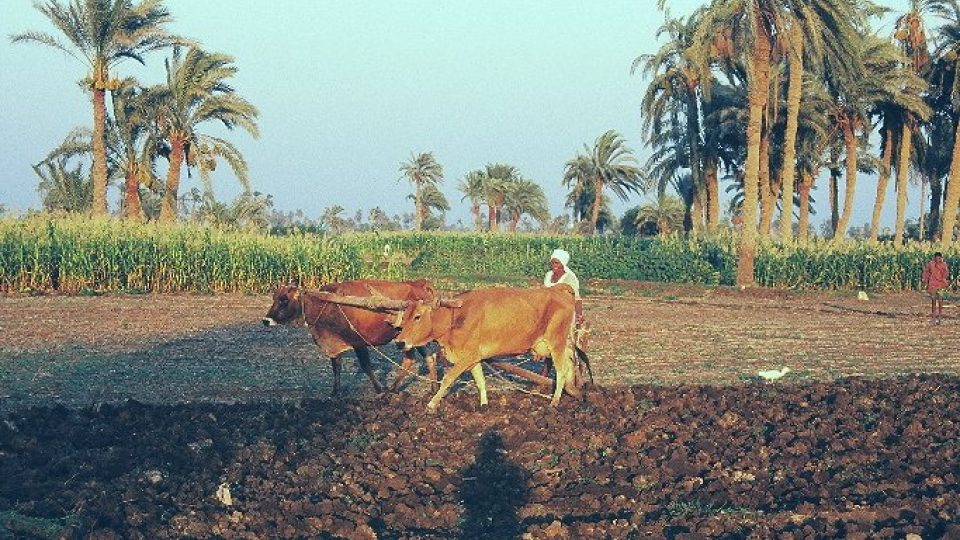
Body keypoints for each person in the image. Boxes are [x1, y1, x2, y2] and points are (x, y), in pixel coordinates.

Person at [543, 248, 583, 325]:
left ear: (563, 263)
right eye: (552, 263)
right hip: (548, 311)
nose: (554, 265)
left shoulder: (569, 278)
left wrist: (579, 315)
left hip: (562, 312)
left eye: (557, 263)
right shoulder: (548, 275)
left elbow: (577, 298)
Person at [921, 252, 950, 325]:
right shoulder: (931, 264)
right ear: (934, 258)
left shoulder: (943, 264)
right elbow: (926, 272)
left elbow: (946, 274)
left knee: (940, 301)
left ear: (941, 258)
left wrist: (943, 279)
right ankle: (933, 318)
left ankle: (940, 318)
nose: (937, 259)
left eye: (939, 258)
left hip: (940, 285)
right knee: (933, 301)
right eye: (936, 258)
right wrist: (925, 280)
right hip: (932, 285)